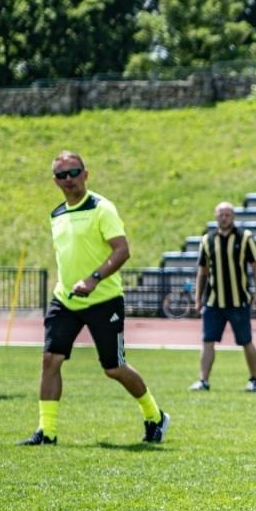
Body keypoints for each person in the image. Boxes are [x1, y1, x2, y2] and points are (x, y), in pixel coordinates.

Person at [19, 151, 168, 445]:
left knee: (113, 368)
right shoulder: (57, 214)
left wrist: (93, 279)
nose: (69, 179)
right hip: (65, 299)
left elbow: (122, 250)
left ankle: (155, 415)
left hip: (104, 299)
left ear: (86, 174)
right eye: (62, 175)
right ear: (55, 181)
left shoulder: (102, 208)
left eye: (74, 172)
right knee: (50, 359)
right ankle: (46, 432)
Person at [190, 201, 256, 392]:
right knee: (208, 341)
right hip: (214, 301)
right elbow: (203, 271)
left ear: (233, 217)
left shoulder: (245, 237)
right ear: (216, 216)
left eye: (228, 214)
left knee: (246, 341)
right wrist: (198, 298)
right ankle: (203, 380)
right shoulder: (207, 240)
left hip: (238, 300)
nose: (224, 218)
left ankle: (254, 379)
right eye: (221, 214)